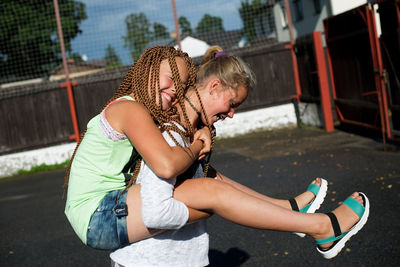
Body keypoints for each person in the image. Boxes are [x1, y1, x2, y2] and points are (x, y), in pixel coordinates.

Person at [109, 46, 369, 266]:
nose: (231, 114)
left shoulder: (190, 133)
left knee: (212, 179)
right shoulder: (170, 134)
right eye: (232, 103)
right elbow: (154, 212)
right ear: (214, 86)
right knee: (214, 189)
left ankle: (293, 213)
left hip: (171, 259)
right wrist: (214, 206)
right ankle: (320, 226)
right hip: (146, 261)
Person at [64, 46, 213, 250]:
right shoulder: (129, 109)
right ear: (149, 69)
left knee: (212, 190)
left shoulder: (148, 111)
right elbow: (167, 165)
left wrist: (204, 129)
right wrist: (198, 146)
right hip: (97, 214)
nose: (175, 89)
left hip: (101, 211)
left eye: (182, 86)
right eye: (172, 78)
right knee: (213, 197)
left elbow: (185, 120)